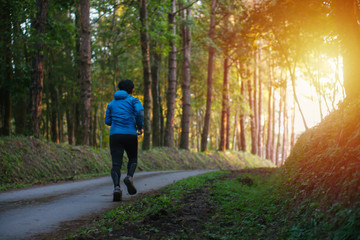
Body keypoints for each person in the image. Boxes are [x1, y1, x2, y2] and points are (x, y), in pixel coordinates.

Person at [105, 79, 144, 201]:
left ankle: (117, 188)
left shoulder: (111, 103)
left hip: (115, 135)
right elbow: (139, 112)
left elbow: (108, 121)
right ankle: (129, 177)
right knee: (132, 158)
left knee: (116, 163)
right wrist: (139, 126)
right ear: (132, 90)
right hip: (130, 134)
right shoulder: (134, 100)